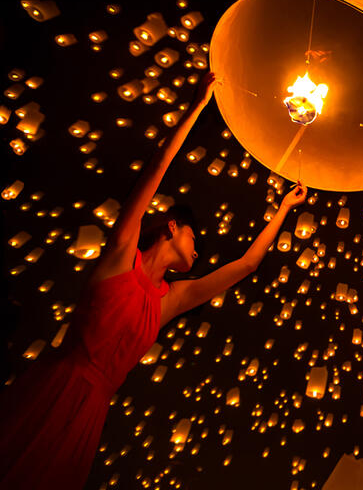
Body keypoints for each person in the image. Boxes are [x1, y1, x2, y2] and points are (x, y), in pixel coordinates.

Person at [0, 72, 308, 489]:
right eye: (194, 238)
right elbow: (157, 167)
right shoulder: (120, 258)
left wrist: (286, 207)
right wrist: (197, 106)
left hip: (91, 414)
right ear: (171, 226)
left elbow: (248, 265)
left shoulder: (170, 299)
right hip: (56, 385)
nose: (198, 251)